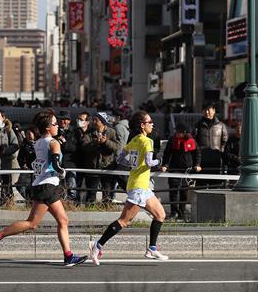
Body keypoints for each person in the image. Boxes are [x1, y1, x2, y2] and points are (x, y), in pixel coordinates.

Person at [0, 111, 87, 266]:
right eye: (54, 124)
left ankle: (68, 256)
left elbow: (39, 162)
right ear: (47, 128)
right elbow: (55, 163)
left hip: (43, 184)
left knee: (62, 220)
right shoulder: (54, 143)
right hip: (47, 186)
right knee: (32, 223)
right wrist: (62, 172)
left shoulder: (40, 142)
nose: (57, 126)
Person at [89, 110, 168, 264]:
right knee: (124, 221)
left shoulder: (134, 140)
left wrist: (135, 165)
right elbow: (150, 163)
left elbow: (120, 158)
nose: (152, 124)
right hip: (139, 187)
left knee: (160, 215)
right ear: (142, 125)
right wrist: (160, 161)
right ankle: (97, 246)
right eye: (149, 122)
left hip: (141, 185)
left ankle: (152, 248)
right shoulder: (147, 141)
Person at [160, 123, 201, 219]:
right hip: (174, 168)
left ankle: (181, 213)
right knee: (173, 191)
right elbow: (167, 153)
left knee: (184, 192)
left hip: (187, 170)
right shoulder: (172, 140)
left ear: (185, 133)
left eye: (179, 132)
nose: (177, 133)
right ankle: (173, 212)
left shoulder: (192, 141)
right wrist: (165, 164)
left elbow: (197, 153)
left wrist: (197, 165)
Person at [80, 113, 120, 204]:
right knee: (91, 192)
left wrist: (105, 141)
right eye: (93, 120)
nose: (93, 122)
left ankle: (107, 207)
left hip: (107, 166)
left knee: (107, 192)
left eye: (96, 120)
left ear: (102, 122)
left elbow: (116, 146)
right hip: (92, 166)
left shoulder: (111, 132)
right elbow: (84, 146)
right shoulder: (89, 132)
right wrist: (95, 143)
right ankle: (89, 208)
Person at [194, 103, 228, 185]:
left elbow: (225, 140)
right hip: (202, 159)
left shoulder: (221, 125)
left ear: (214, 111)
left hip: (216, 160)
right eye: (204, 110)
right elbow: (194, 140)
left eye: (208, 110)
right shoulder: (198, 125)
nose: (206, 112)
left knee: (215, 184)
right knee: (201, 185)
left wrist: (220, 152)